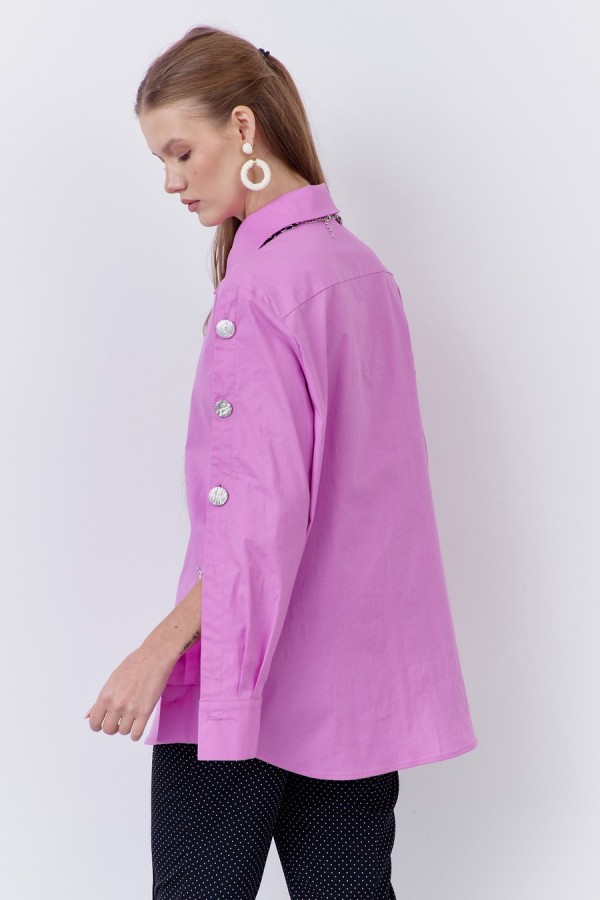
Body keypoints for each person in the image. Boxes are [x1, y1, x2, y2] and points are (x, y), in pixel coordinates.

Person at [85, 25, 478, 900]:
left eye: (181, 152)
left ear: (243, 127)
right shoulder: (359, 271)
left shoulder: (261, 289)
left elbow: (256, 520)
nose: (172, 181)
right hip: (355, 697)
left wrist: (156, 652)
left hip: (248, 680)